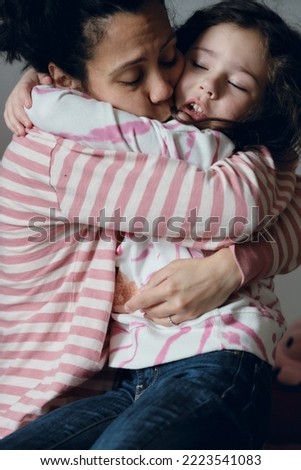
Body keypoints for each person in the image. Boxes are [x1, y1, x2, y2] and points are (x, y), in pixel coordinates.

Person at [0, 0, 300, 449]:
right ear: (66, 78)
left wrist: (236, 265)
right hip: (53, 399)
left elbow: (287, 211)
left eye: (169, 57)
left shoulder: (206, 147)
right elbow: (237, 205)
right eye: (133, 77)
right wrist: (45, 97)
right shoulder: (65, 153)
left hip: (180, 362)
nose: (163, 89)